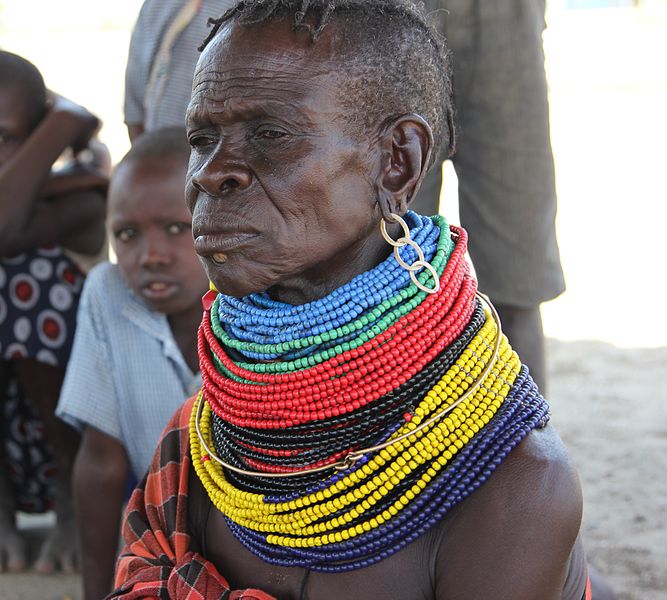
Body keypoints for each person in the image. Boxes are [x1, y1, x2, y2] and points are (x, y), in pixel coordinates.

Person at [110, 2, 591, 598]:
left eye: (270, 135)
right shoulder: (203, 443)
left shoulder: (514, 490)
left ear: (398, 162)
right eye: (202, 138)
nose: (212, 173)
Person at [56, 127, 208, 599]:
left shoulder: (267, 301)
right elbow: (101, 461)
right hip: (162, 542)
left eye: (177, 228)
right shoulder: (107, 292)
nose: (151, 256)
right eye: (127, 235)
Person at [408, 0, 565, 392]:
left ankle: (527, 438)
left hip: (505, 23)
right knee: (383, 267)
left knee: (518, 274)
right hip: (391, 19)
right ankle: (385, 446)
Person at [0, 50, 107, 573]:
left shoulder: (81, 197)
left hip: (69, 416)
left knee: (27, 276)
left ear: (46, 137)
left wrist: (63, 121)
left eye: (3, 139)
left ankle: (71, 500)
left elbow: (3, 225)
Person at [124, 0, 237, 142]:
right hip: (156, 148)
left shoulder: (250, 5)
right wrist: (143, 153)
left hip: (216, 149)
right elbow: (134, 104)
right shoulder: (156, 5)